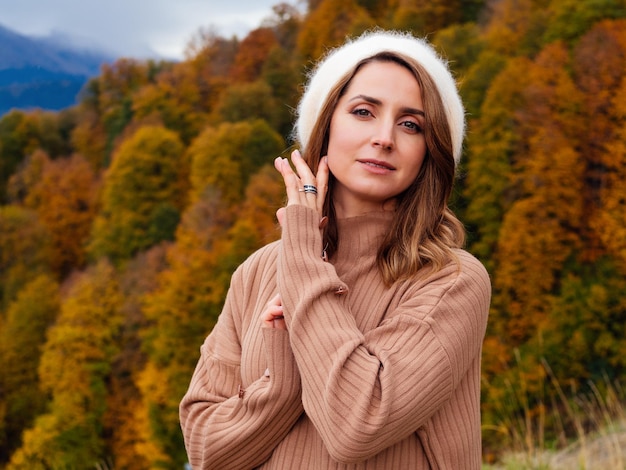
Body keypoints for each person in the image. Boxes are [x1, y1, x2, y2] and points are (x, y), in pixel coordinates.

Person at [179, 29, 491, 469]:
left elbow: (358, 424)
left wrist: (305, 260)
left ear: (430, 150)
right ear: (325, 126)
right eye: (363, 111)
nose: (385, 137)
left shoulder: (450, 279)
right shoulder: (258, 270)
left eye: (410, 124)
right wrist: (282, 385)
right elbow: (206, 448)